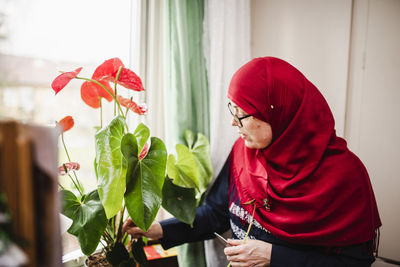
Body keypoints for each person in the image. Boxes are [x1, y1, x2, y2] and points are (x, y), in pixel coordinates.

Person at [122, 57, 381, 266]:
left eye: (241, 113)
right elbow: (217, 213)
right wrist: (159, 230)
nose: (233, 122)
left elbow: (356, 261)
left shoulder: (346, 178)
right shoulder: (244, 152)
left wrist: (274, 257)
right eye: (231, 109)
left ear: (277, 112)